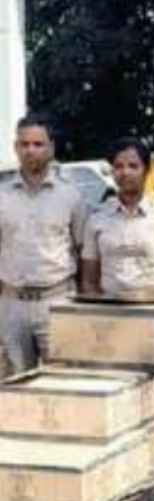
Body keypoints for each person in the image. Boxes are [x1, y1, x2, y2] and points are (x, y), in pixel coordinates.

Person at [0, 112, 88, 372]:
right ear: (16, 148)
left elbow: (84, 251)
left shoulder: (71, 196)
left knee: (62, 380)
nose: (30, 150)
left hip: (58, 301)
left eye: (38, 144)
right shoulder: (2, 195)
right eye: (24, 144)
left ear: (51, 148)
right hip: (12, 304)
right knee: (14, 384)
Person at [81, 137, 154, 296]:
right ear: (112, 172)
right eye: (118, 166)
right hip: (109, 307)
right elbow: (89, 281)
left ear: (146, 170)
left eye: (133, 166)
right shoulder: (96, 219)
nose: (125, 172)